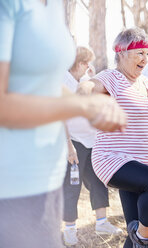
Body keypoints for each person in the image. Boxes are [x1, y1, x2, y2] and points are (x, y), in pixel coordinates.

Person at [0, 1, 126, 247]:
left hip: (45, 178)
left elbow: (44, 82)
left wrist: (96, 109)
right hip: (12, 182)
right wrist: (82, 107)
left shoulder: (52, 7)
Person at [79, 27, 148, 248]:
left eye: (147, 53)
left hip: (138, 164)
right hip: (112, 159)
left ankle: (139, 239)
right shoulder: (111, 77)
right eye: (139, 53)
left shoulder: (146, 83)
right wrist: (82, 94)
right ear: (121, 52)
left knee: (133, 231)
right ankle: (145, 237)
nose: (145, 58)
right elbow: (89, 86)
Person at [63, 46, 123, 246]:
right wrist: (69, 146)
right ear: (80, 63)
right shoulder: (63, 81)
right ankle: (69, 229)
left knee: (98, 181)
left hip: (92, 142)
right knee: (72, 185)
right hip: (75, 142)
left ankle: (102, 221)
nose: (89, 66)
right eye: (87, 62)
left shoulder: (83, 80)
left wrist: (92, 76)